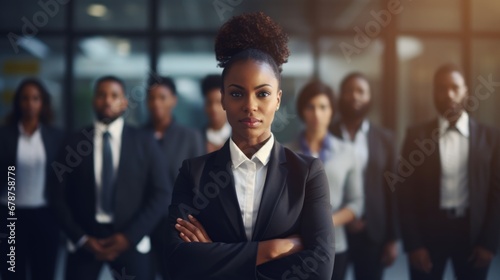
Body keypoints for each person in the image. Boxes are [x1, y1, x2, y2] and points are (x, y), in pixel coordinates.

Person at [165, 12, 335, 279]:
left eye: (263, 93)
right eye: (236, 93)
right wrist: (269, 251)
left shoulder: (307, 174)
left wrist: (214, 255)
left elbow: (320, 269)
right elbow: (176, 262)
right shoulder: (193, 174)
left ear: (278, 100)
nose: (250, 105)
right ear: (222, 99)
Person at [49, 75, 171, 280]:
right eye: (101, 95)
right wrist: (80, 238)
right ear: (93, 100)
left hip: (131, 239)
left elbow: (161, 193)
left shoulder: (145, 141)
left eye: (114, 95)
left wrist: (128, 237)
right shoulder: (73, 142)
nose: (107, 100)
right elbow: (57, 195)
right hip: (85, 241)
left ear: (124, 102)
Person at [396, 64, 500, 280]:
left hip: (473, 233)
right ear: (433, 93)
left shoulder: (491, 137)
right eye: (441, 88)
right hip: (429, 233)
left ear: (466, 91)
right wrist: (414, 244)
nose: (449, 94)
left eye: (455, 87)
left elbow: (497, 193)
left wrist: (490, 242)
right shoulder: (416, 136)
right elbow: (405, 195)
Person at [287, 80, 364, 280]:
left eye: (323, 107)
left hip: (335, 246)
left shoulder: (348, 152)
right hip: (294, 245)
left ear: (332, 111)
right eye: (310, 107)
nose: (317, 114)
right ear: (303, 111)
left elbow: (356, 202)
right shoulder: (286, 152)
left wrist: (325, 222)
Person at [330, 72, 398, 280]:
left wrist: (392, 239)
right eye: (349, 90)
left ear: (370, 97)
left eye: (361, 91)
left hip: (373, 232)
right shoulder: (325, 134)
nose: (355, 96)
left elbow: (392, 190)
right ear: (340, 96)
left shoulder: (386, 139)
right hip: (334, 228)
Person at [0, 78, 64, 280]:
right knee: (12, 272)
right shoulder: (4, 135)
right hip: (9, 214)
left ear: (42, 103)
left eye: (35, 98)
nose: (30, 103)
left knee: (44, 272)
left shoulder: (56, 137)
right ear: (18, 102)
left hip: (45, 214)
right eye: (25, 98)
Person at [143, 75, 204, 280]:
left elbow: (199, 185)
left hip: (177, 224)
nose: (156, 103)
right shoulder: (136, 136)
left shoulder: (190, 136)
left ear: (173, 100)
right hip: (142, 224)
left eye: (162, 97)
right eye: (151, 98)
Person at [200, 74, 231, 153]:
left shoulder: (239, 137)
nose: (214, 108)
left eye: (219, 102)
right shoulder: (196, 138)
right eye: (209, 103)